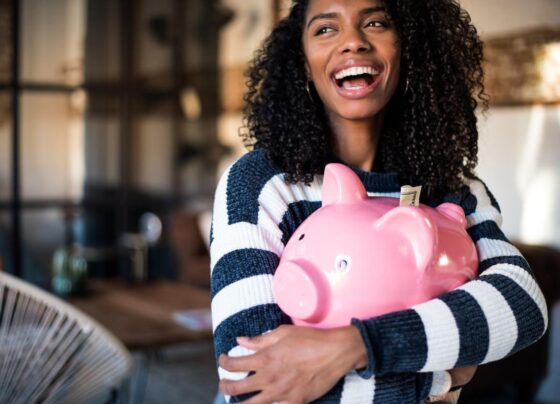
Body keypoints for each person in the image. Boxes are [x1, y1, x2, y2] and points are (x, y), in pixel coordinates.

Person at [210, 0, 548, 402]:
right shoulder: (263, 183)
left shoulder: (453, 190)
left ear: (407, 49)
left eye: (375, 22)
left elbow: (522, 306)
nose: (353, 42)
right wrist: (443, 378)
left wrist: (357, 345)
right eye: (325, 29)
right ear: (303, 63)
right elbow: (254, 382)